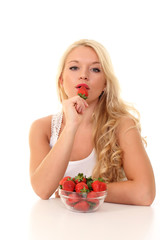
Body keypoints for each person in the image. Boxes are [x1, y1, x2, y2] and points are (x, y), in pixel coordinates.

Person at [29, 39, 156, 205]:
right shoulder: (42, 128)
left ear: (105, 83)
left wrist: (79, 190)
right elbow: (42, 190)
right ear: (61, 79)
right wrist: (71, 127)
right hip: (59, 228)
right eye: (74, 67)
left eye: (95, 69)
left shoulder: (122, 125)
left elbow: (144, 193)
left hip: (111, 227)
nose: (84, 75)